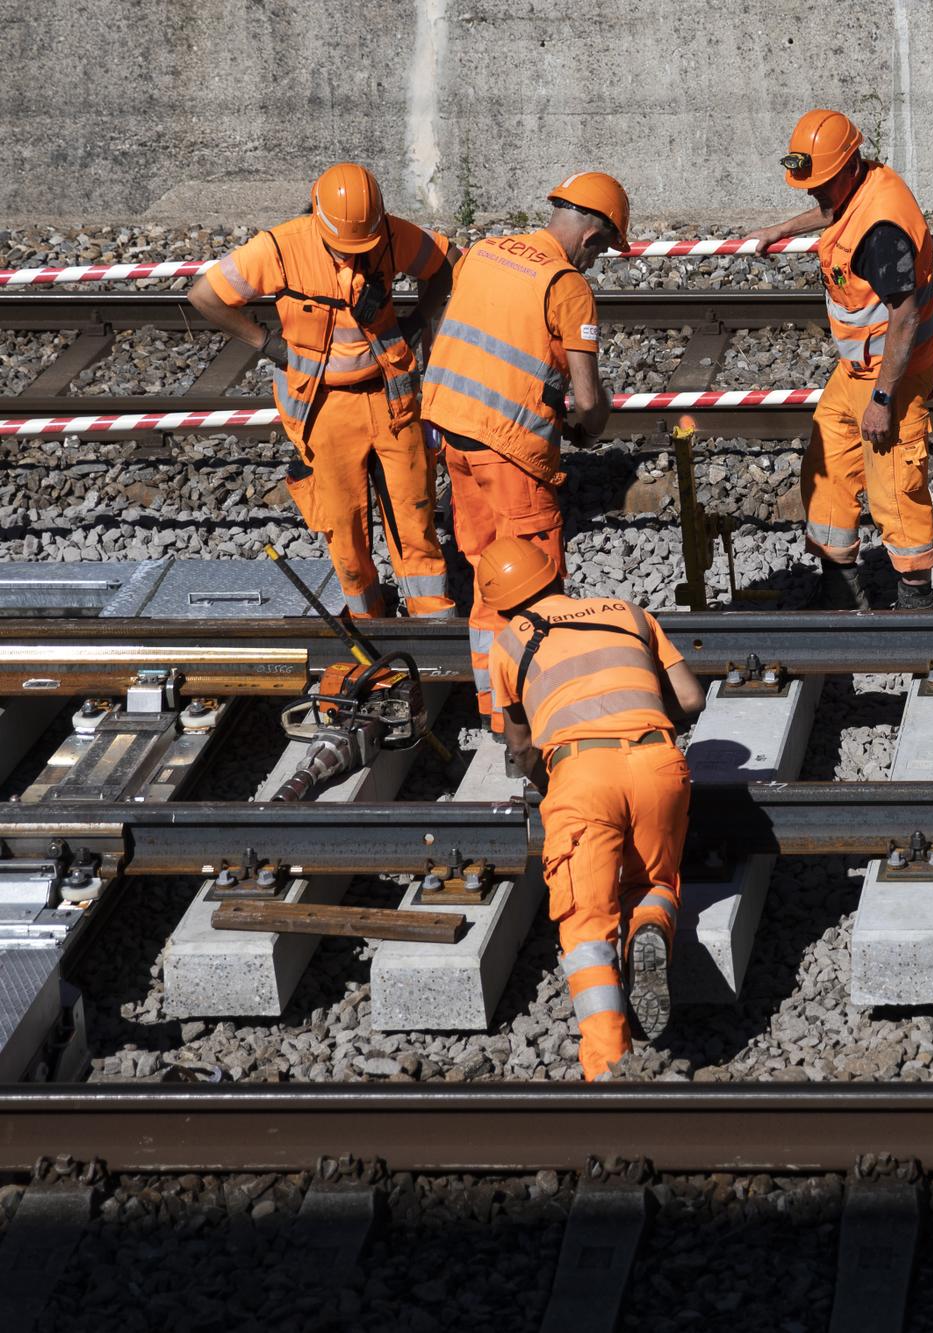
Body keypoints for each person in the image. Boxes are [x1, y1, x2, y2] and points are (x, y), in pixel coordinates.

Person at [478, 536, 706, 1083]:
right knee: (653, 879)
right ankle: (650, 924)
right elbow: (693, 699)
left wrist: (550, 782)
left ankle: (608, 1071)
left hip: (582, 775)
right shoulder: (628, 611)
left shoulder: (510, 642)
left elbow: (521, 746)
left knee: (587, 927)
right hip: (658, 760)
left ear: (503, 603)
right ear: (554, 575)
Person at [191, 162, 456, 618]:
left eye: (363, 248)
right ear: (318, 218)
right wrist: (265, 343)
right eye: (344, 248)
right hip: (325, 407)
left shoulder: (391, 235)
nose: (354, 257)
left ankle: (431, 620)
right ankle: (368, 622)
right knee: (345, 530)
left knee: (416, 517)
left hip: (391, 398)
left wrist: (416, 321)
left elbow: (446, 264)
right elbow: (205, 296)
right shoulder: (281, 248)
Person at [421, 171, 628, 723]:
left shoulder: (485, 252)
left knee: (491, 579)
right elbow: (587, 400)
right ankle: (536, 711)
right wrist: (590, 429)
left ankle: (497, 710)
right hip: (510, 455)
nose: (596, 259)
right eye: (603, 249)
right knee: (533, 586)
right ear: (591, 236)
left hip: (456, 438)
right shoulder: (567, 285)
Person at [745, 109, 933, 610]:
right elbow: (834, 211)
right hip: (855, 369)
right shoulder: (855, 188)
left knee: (894, 486)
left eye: (821, 183)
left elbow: (906, 316)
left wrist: (882, 399)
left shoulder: (882, 230)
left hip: (888, 375)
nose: (815, 193)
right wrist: (782, 229)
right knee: (828, 463)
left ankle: (916, 597)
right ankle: (840, 582)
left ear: (849, 167)